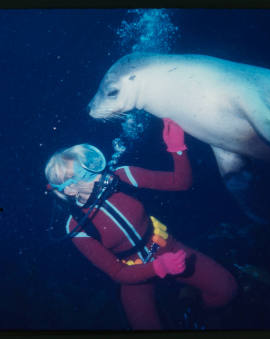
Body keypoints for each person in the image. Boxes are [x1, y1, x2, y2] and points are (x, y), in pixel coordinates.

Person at [44, 118, 238, 330]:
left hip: (166, 246)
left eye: (92, 165)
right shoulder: (75, 226)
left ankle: (194, 309)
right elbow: (117, 273)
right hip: (133, 275)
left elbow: (180, 182)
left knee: (226, 289)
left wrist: (176, 147)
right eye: (86, 174)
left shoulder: (123, 176)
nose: (99, 174)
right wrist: (159, 267)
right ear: (69, 190)